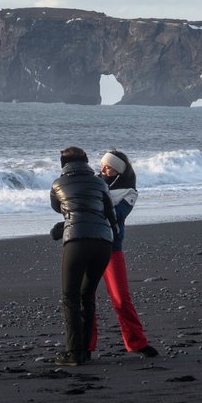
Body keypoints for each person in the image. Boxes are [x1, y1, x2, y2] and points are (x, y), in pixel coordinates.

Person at [47, 145, 116, 367]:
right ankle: (86, 350)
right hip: (104, 242)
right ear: (86, 162)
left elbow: (58, 207)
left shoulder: (57, 184)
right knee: (88, 295)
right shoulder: (100, 183)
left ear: (63, 165)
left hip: (77, 241)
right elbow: (110, 215)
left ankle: (74, 353)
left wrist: (67, 221)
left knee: (70, 297)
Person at [93, 148, 159, 358]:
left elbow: (118, 214)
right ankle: (84, 345)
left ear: (119, 171)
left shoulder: (130, 191)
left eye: (109, 167)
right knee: (85, 299)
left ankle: (136, 342)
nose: (104, 169)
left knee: (121, 299)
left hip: (112, 247)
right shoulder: (92, 182)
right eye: (103, 165)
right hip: (88, 244)